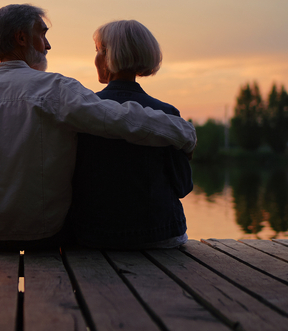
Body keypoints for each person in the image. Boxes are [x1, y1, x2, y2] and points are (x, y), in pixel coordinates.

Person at [0, 4, 196, 251]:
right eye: (42, 34)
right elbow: (120, 119)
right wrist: (183, 133)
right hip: (40, 235)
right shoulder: (53, 88)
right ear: (22, 38)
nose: (47, 45)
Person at [67, 20, 193, 249]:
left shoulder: (83, 111)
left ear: (107, 56)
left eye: (97, 51)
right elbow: (183, 186)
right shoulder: (166, 113)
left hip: (94, 236)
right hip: (160, 235)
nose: (95, 58)